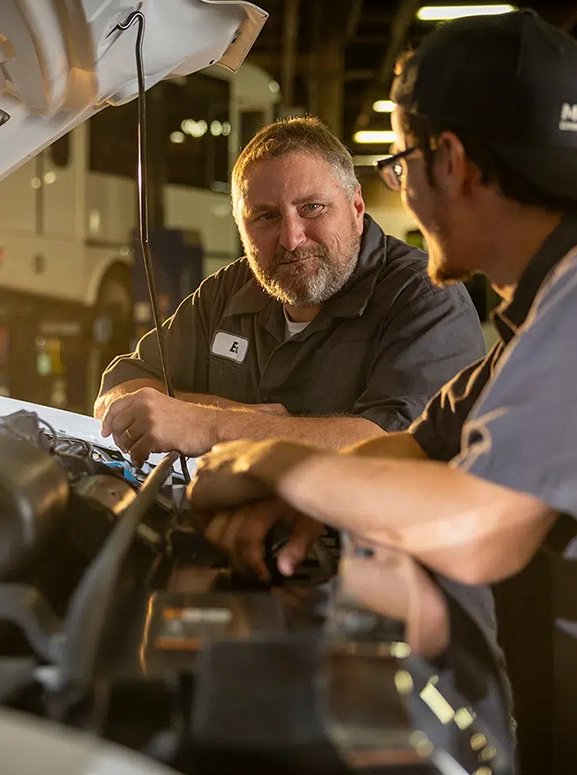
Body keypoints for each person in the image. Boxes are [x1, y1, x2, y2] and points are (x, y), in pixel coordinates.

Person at [185, 9, 577, 769]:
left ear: (452, 162)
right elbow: (416, 450)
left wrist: (260, 460)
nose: (399, 187)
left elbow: (478, 529)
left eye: (398, 165)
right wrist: (304, 497)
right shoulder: (535, 324)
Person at [95, 117, 484, 464]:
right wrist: (235, 416)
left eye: (312, 208)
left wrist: (211, 427)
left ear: (357, 207)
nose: (291, 238)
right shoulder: (230, 291)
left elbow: (395, 447)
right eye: (265, 216)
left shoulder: (424, 298)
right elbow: (119, 389)